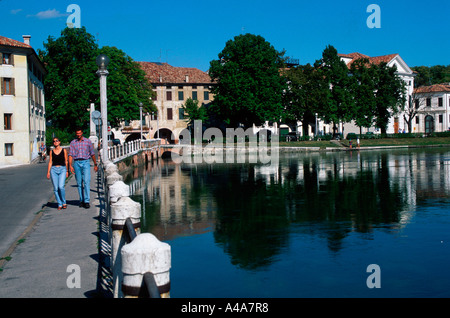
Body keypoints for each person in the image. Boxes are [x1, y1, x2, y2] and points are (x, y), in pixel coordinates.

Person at [68, 128, 98, 209]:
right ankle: (81, 200)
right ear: (76, 134)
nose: (78, 135)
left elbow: (92, 153)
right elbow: (70, 154)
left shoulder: (87, 141)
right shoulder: (73, 143)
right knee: (79, 182)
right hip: (77, 162)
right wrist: (70, 165)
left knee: (86, 181)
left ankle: (87, 201)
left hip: (85, 162)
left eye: (80, 133)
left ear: (82, 133)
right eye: (77, 133)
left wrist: (95, 164)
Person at [47, 138, 69, 210]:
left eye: (57, 141)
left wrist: (67, 171)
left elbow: (66, 161)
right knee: (56, 188)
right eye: (54, 141)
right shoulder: (51, 151)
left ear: (59, 142)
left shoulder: (64, 150)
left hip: (62, 169)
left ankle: (64, 202)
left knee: (61, 187)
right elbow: (50, 162)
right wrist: (48, 172)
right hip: (54, 170)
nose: (55, 142)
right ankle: (59, 204)